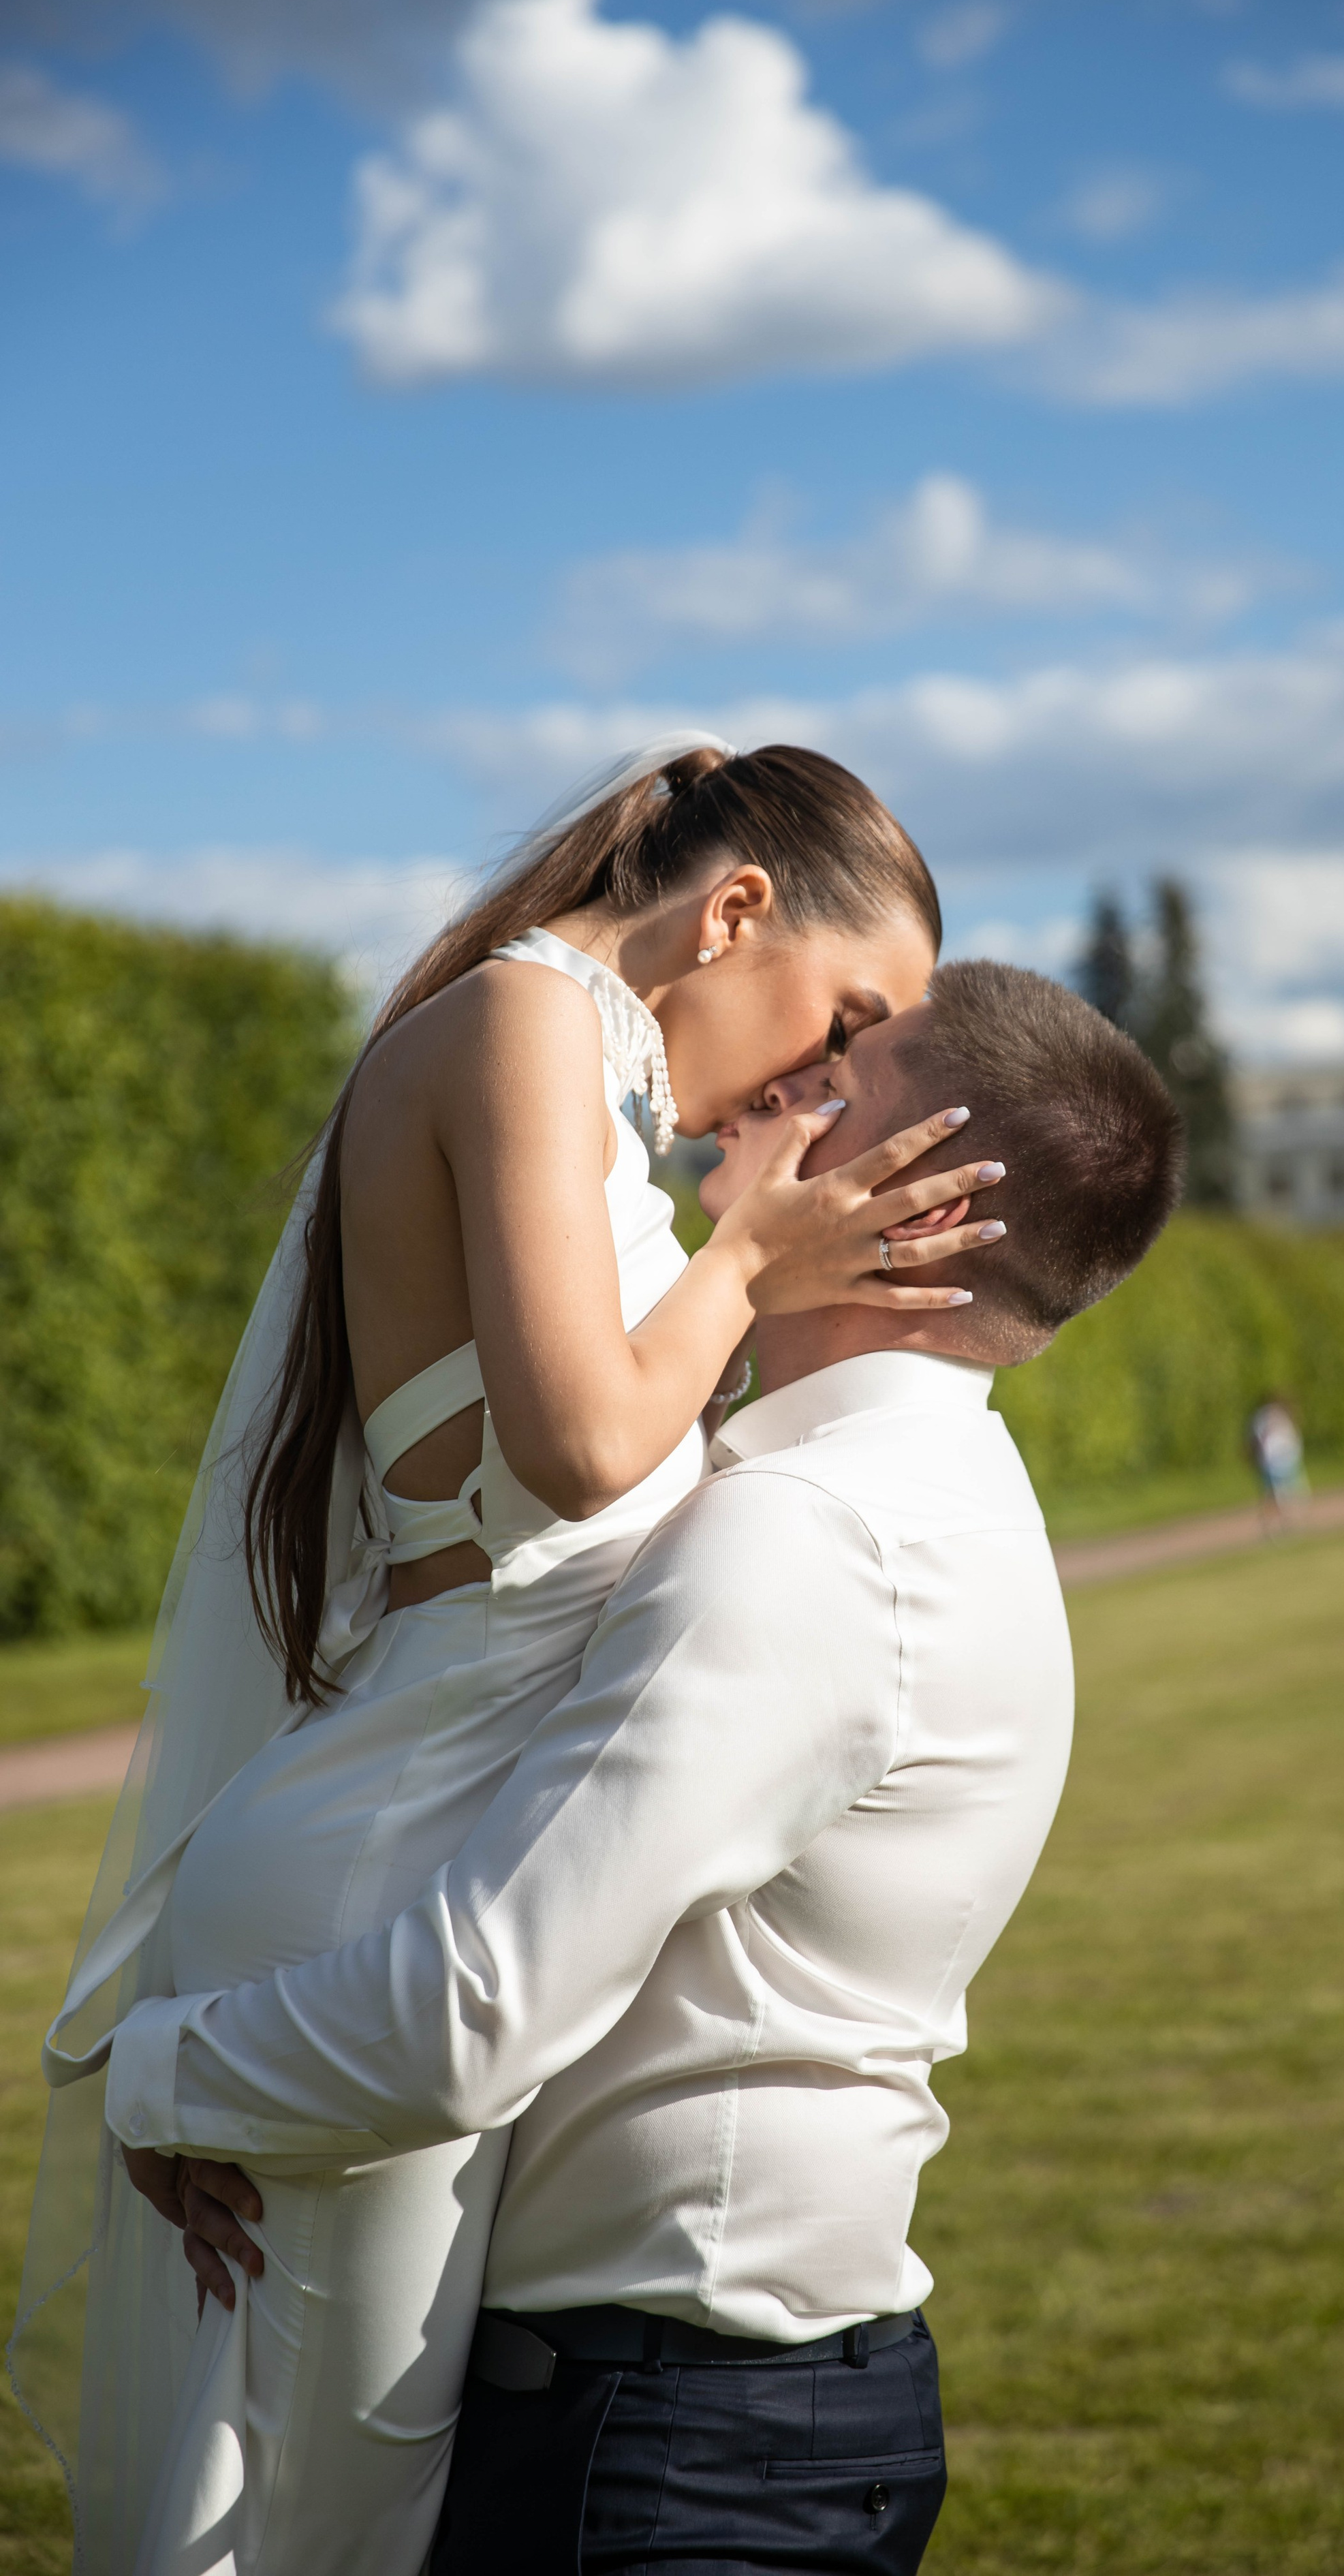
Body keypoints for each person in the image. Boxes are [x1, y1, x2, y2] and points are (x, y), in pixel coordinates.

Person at [15, 737, 1001, 2576]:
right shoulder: (524, 1024)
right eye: (848, 1018)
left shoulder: (593, 1091)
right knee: (318, 2539)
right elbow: (579, 1443)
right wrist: (751, 1264)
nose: (831, 1080)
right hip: (379, 1878)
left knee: (343, 2524)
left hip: (428, 1851)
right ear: (733, 911)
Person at [100, 961, 1185, 2576]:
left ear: (928, 1213)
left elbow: (473, 2011)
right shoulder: (920, 1481)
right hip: (714, 2416)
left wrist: (160, 2073)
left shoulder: (805, 1538)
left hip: (668, 2452)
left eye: (837, 1088)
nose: (774, 1088)